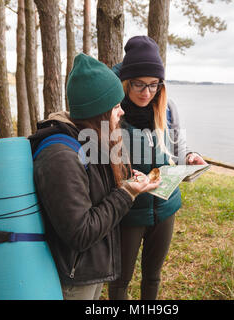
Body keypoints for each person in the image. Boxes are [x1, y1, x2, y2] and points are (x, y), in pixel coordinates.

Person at [29, 53, 160, 300]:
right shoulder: (61, 157)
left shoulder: (88, 137)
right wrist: (127, 192)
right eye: (115, 106)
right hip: (75, 278)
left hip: (90, 267)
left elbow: (97, 194)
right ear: (98, 111)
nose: (121, 112)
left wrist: (128, 180)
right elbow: (81, 232)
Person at [108, 36, 207, 300]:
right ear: (126, 82)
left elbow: (178, 149)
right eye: (139, 84)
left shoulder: (168, 108)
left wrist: (190, 157)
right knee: (120, 280)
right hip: (128, 211)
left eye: (153, 85)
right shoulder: (113, 114)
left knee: (153, 276)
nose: (147, 92)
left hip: (165, 208)